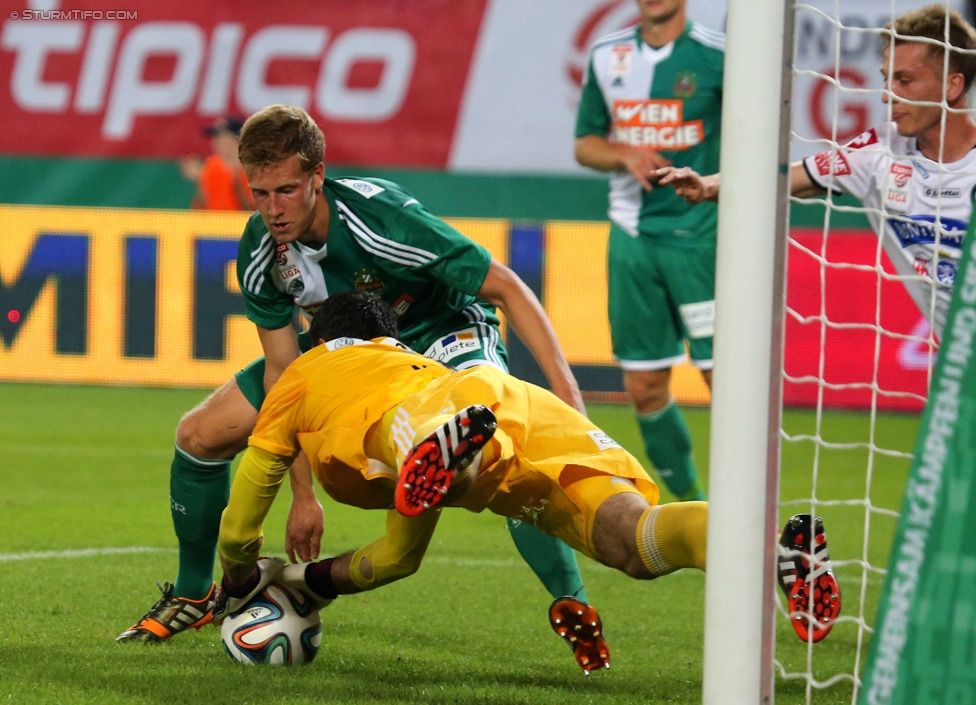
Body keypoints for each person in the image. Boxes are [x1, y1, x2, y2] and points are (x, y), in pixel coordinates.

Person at [117, 105, 598, 663]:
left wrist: (571, 401)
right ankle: (195, 593)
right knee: (198, 435)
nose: (273, 209)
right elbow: (283, 379)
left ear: (319, 176)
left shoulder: (380, 218)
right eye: (260, 193)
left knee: (501, 454)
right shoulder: (261, 252)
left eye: (287, 190)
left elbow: (508, 287)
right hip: (345, 352)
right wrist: (303, 496)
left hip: (440, 336)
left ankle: (573, 604)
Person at [213, 291, 711, 673]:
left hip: (430, 421)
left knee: (426, 445)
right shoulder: (414, 364)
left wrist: (240, 578)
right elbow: (396, 558)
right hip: (513, 397)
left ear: (319, 340)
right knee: (634, 543)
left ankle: (460, 453)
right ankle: (769, 550)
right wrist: (301, 582)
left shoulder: (304, 373)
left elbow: (238, 529)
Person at [656, 3, 976, 340]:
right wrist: (706, 186)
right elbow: (775, 180)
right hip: (960, 362)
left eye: (905, 80)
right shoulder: (876, 154)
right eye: (887, 79)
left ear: (952, 87)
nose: (886, 96)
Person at [573, 0, 724, 503]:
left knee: (722, 378)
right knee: (644, 389)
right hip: (632, 237)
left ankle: (745, 507)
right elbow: (585, 143)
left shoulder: (720, 57)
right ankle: (698, 510)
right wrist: (624, 152)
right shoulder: (606, 56)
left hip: (701, 237)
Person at [179, 116, 255, 211]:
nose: (215, 142)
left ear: (236, 140)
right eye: (214, 138)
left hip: (240, 224)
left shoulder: (254, 169)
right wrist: (198, 181)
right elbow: (203, 206)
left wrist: (236, 182)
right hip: (214, 224)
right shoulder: (211, 165)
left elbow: (255, 213)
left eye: (220, 137)